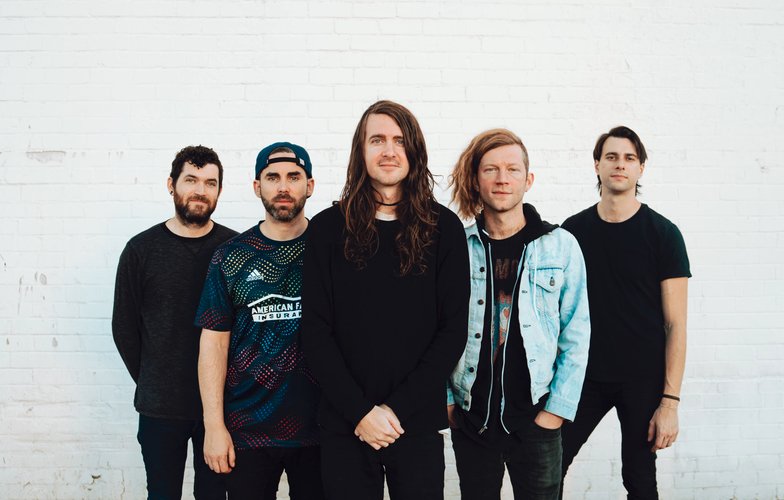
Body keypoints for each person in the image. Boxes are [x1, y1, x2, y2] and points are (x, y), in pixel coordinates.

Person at [300, 100, 469, 500]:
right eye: (377, 140)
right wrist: (360, 412)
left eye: (399, 140)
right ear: (361, 151)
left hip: (416, 423)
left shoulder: (444, 228)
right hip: (345, 424)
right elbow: (315, 332)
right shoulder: (327, 229)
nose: (389, 150)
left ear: (414, 151)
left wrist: (394, 411)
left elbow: (452, 332)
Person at [446, 129, 590, 499]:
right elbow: (435, 328)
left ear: (528, 180)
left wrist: (555, 412)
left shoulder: (560, 247)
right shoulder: (456, 247)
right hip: (472, 420)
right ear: (475, 180)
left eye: (512, 169)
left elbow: (577, 334)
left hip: (537, 419)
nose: (502, 179)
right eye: (490, 169)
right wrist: (447, 401)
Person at [560, 126, 691, 499]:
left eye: (629, 158)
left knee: (639, 478)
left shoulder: (663, 234)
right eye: (612, 157)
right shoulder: (572, 232)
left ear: (641, 168)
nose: (620, 164)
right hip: (583, 374)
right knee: (549, 466)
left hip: (642, 378)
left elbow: (676, 324)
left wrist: (670, 402)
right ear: (597, 165)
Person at [195, 142, 323, 500]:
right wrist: (213, 426)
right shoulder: (231, 257)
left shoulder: (330, 250)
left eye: (293, 177)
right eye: (272, 177)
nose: (283, 187)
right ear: (257, 186)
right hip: (247, 429)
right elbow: (213, 343)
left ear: (310, 186)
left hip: (321, 428)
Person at [112, 145, 235, 500]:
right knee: (162, 494)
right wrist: (153, 379)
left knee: (214, 495)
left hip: (222, 406)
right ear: (171, 185)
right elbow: (124, 328)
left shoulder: (233, 248)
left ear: (219, 191)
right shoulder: (141, 250)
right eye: (191, 180)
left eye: (210, 183)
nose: (200, 190)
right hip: (161, 407)